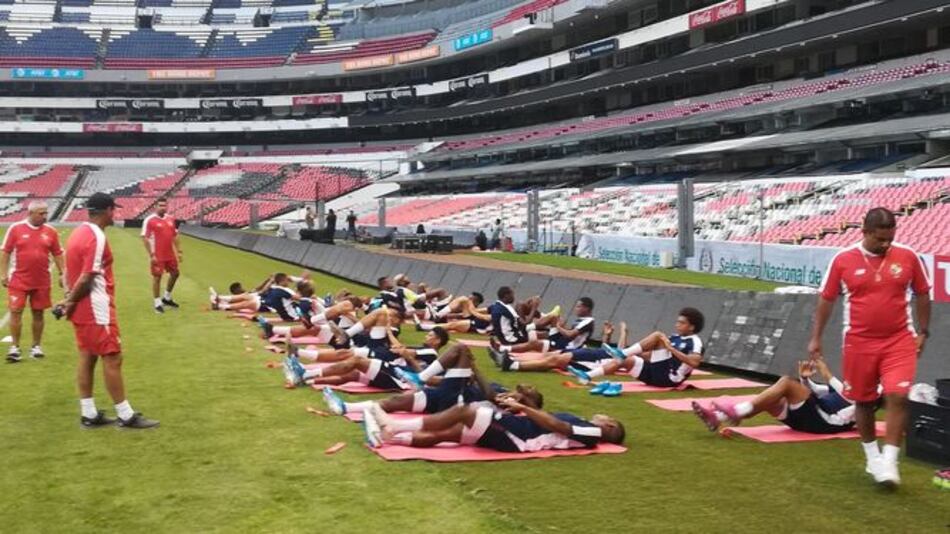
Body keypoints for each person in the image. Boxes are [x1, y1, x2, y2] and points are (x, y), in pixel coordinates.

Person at [808, 207, 931, 487]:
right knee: (863, 401)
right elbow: (826, 299)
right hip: (858, 341)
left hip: (899, 339)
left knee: (897, 395)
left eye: (891, 238)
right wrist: (816, 337)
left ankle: (889, 460)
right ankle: (872, 456)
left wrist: (923, 332)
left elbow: (923, 293)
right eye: (880, 240)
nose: (886, 244)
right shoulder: (842, 260)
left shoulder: (908, 256)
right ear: (865, 232)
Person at [59, 192, 158, 429]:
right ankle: (125, 415)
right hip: (96, 307)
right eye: (113, 209)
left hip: (83, 308)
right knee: (113, 357)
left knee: (87, 356)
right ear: (106, 211)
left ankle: (89, 413)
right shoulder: (96, 236)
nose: (115, 213)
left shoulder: (77, 233)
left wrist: (68, 299)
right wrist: (70, 301)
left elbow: (67, 273)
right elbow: (88, 276)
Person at [364, 396, 625, 451]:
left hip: (516, 436)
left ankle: (392, 425)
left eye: (607, 419)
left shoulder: (593, 432)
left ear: (609, 427)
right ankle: (388, 438)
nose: (602, 416)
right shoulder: (588, 430)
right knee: (453, 433)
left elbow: (560, 428)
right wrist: (524, 408)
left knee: (464, 412)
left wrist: (524, 409)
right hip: (517, 432)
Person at [692, 358, 861, 434]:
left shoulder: (869, 395)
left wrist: (828, 375)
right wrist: (804, 378)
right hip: (812, 416)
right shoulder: (846, 386)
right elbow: (816, 391)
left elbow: (855, 398)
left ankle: (735, 412)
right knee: (772, 399)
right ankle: (718, 417)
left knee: (786, 382)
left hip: (824, 422)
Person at [568, 308, 705, 388]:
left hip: (670, 378)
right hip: (657, 373)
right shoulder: (675, 336)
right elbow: (654, 356)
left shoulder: (695, 341)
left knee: (658, 335)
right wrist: (636, 354)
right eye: (677, 322)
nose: (677, 325)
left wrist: (672, 350)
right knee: (627, 360)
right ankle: (587, 376)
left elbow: (694, 362)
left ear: (692, 327)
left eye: (681, 323)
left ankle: (622, 353)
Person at [0, 201, 65, 362]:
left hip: (42, 280)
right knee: (16, 311)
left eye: (46, 213)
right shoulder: (15, 229)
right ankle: (15, 348)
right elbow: (5, 252)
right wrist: (3, 274)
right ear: (30, 213)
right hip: (19, 279)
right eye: (41, 213)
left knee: (38, 313)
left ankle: (36, 346)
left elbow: (57, 253)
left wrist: (62, 273)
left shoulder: (51, 231)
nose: (45, 216)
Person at [491, 297, 595, 354]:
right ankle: (527, 328)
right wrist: (561, 326)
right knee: (554, 317)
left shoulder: (588, 321)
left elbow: (570, 335)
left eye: (578, 307)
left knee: (534, 343)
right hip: (563, 341)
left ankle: (503, 349)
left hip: (565, 347)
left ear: (587, 308)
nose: (575, 309)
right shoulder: (583, 320)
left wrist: (559, 327)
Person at [141, 198, 182, 313]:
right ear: (156, 207)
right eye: (160, 205)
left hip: (169, 254)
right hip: (157, 255)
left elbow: (175, 235)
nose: (163, 207)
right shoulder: (150, 220)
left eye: (165, 205)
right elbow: (145, 238)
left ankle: (167, 298)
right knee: (157, 277)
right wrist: (151, 254)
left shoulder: (170, 219)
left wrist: (179, 251)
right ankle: (157, 303)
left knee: (175, 273)